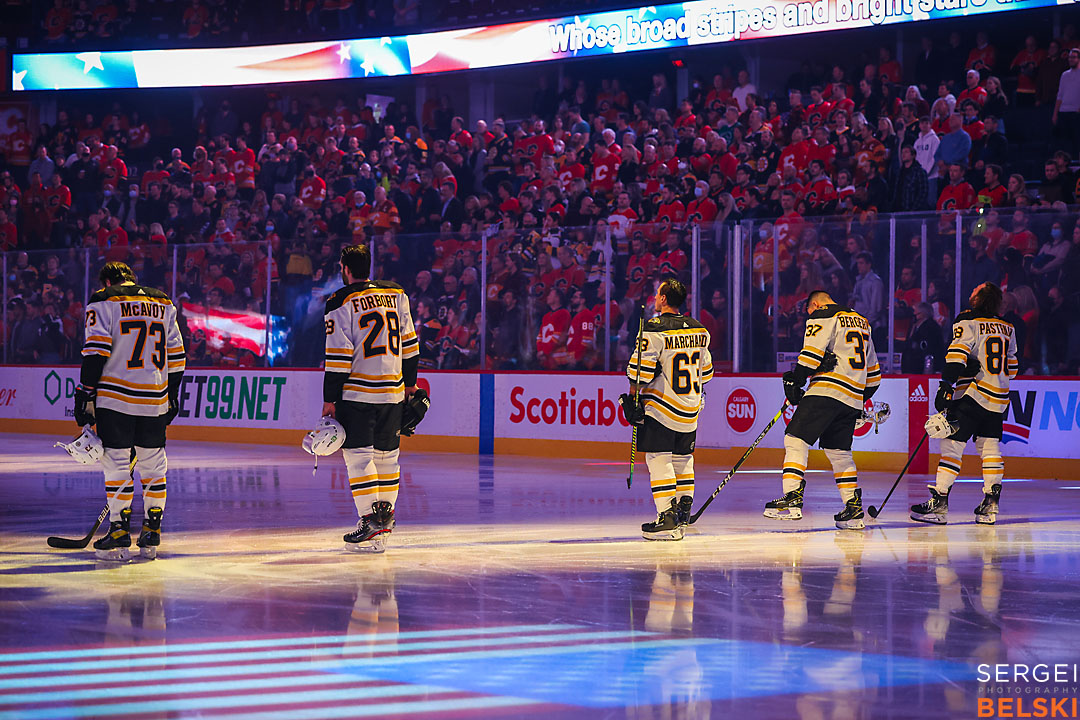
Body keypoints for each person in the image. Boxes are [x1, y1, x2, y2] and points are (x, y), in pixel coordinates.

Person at [75, 261, 185, 561]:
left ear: (109, 280)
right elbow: (177, 357)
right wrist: (170, 395)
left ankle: (119, 532)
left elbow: (96, 351)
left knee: (117, 465)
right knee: (153, 464)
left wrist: (85, 392)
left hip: (115, 398)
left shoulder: (104, 299)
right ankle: (151, 532)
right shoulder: (162, 301)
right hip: (154, 397)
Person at [322, 244, 420, 551]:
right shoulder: (397, 294)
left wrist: (329, 399)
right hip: (393, 389)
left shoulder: (340, 300)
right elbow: (411, 345)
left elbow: (338, 358)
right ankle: (384, 526)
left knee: (359, 457)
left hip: (358, 392)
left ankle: (368, 521)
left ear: (346, 269)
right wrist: (411, 386)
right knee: (388, 458)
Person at [764, 290, 880, 530]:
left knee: (795, 439)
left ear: (815, 305)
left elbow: (810, 355)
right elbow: (875, 376)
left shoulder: (822, 314)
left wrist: (796, 379)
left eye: (809, 312)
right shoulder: (863, 322)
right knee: (840, 452)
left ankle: (792, 499)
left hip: (827, 390)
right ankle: (852, 509)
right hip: (853, 397)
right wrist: (857, 399)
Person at [911, 282, 1018, 526]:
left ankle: (939, 502)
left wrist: (946, 385)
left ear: (979, 297)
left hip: (972, 393)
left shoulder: (967, 320)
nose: (971, 292)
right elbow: (1013, 368)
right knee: (990, 449)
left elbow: (956, 356)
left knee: (951, 446)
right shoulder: (1008, 327)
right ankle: (990, 504)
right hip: (999, 397)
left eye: (975, 290)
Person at [621, 279, 713, 541]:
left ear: (663, 299)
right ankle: (683, 511)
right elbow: (706, 373)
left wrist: (632, 400)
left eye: (657, 293)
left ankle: (667, 517)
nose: (655, 297)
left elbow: (639, 373)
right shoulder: (700, 329)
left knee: (658, 459)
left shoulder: (653, 330)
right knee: (683, 459)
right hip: (691, 407)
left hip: (662, 406)